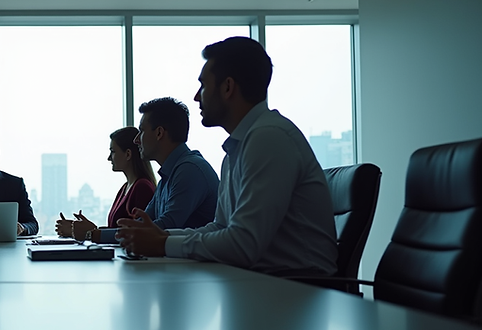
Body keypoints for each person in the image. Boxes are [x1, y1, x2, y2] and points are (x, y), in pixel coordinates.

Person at [117, 36, 337, 276]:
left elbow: (243, 244)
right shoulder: (237, 150)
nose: (196, 97)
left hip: (300, 288)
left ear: (227, 87)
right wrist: (162, 237)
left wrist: (162, 243)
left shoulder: (269, 138)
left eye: (203, 85)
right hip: (263, 281)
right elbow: (220, 227)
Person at [55, 126, 155, 242]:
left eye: (113, 152)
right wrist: (79, 230)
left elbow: (137, 234)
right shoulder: (125, 188)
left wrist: (91, 232)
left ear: (128, 154)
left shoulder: (142, 187)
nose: (109, 158)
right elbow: (117, 230)